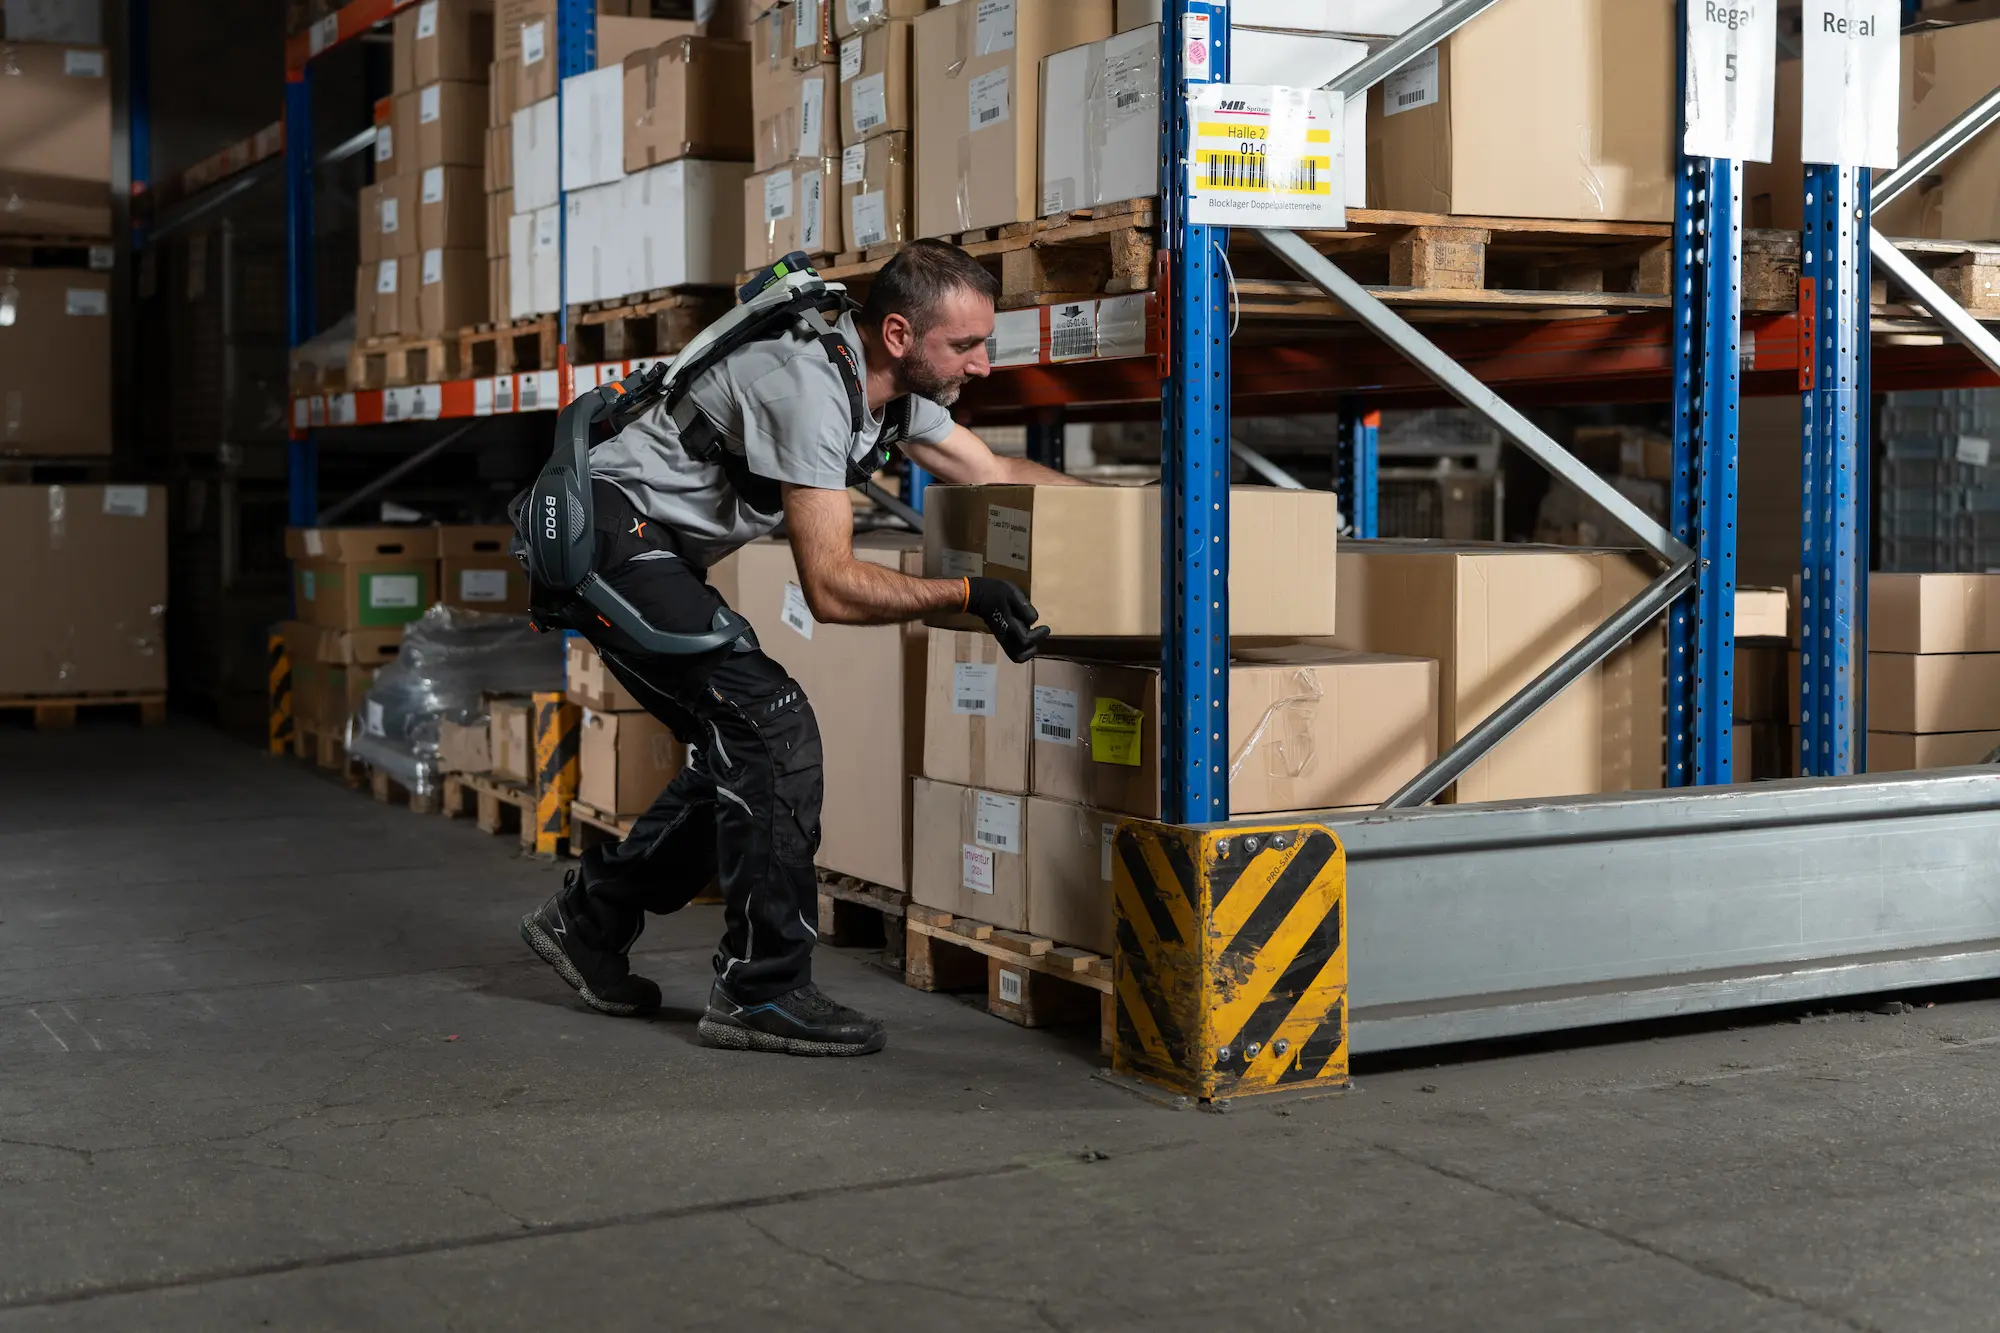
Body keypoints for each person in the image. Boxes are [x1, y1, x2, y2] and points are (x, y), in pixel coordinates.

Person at [518, 239, 1084, 1057]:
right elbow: (832, 585)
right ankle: (761, 988)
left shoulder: (887, 391)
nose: (984, 364)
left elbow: (990, 468)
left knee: (740, 745)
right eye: (965, 345)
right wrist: (964, 595)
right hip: (606, 539)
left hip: (655, 548)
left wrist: (1133, 514)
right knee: (771, 728)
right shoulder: (812, 388)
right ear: (898, 334)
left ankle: (586, 921)